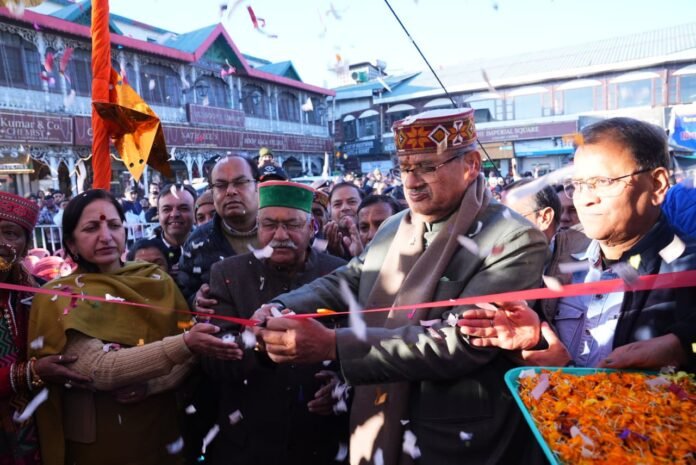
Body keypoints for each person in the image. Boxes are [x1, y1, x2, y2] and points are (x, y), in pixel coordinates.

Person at [255, 108, 548, 465]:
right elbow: (349, 279)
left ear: (471, 165)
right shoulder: (394, 226)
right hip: (377, 418)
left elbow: (462, 342)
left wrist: (334, 345)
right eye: (404, 168)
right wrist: (283, 305)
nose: (411, 182)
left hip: (452, 441)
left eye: (427, 167)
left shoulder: (513, 238)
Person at [460, 117, 696, 372]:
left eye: (604, 182)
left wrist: (684, 347)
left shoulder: (686, 269)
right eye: (578, 185)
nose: (585, 199)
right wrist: (537, 341)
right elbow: (565, 365)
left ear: (657, 184)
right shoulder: (559, 263)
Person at [28, 189, 242, 465]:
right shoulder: (59, 295)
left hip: (163, 430)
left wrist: (155, 384)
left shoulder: (155, 281)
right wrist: (185, 343)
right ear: (71, 242)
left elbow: (191, 356)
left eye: (114, 225)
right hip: (101, 443)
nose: (106, 236)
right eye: (91, 228)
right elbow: (99, 369)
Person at [202, 181, 348, 464]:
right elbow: (213, 361)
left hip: (322, 441)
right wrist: (256, 344)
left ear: (312, 228)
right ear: (257, 228)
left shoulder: (338, 273)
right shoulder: (228, 274)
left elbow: (358, 344)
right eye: (269, 225)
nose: (280, 235)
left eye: (292, 225)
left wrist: (343, 386)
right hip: (249, 442)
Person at [0, 192, 90, 465]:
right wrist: (31, 372)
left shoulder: (42, 295)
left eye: (10, 233)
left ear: (27, 245)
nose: (0, 243)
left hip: (38, 423)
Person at [177, 155, 260, 303]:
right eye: (221, 185)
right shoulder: (198, 242)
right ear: (212, 192)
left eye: (240, 182)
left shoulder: (282, 232)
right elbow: (183, 294)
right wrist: (195, 301)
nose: (230, 191)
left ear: (257, 187)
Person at [150, 184, 196, 272]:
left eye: (183, 208)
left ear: (195, 212)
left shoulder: (209, 246)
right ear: (158, 215)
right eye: (167, 209)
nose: (174, 214)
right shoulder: (145, 251)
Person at [324, 182, 363, 258]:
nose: (345, 208)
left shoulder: (375, 237)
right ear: (329, 212)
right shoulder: (320, 244)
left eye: (352, 202)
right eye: (337, 204)